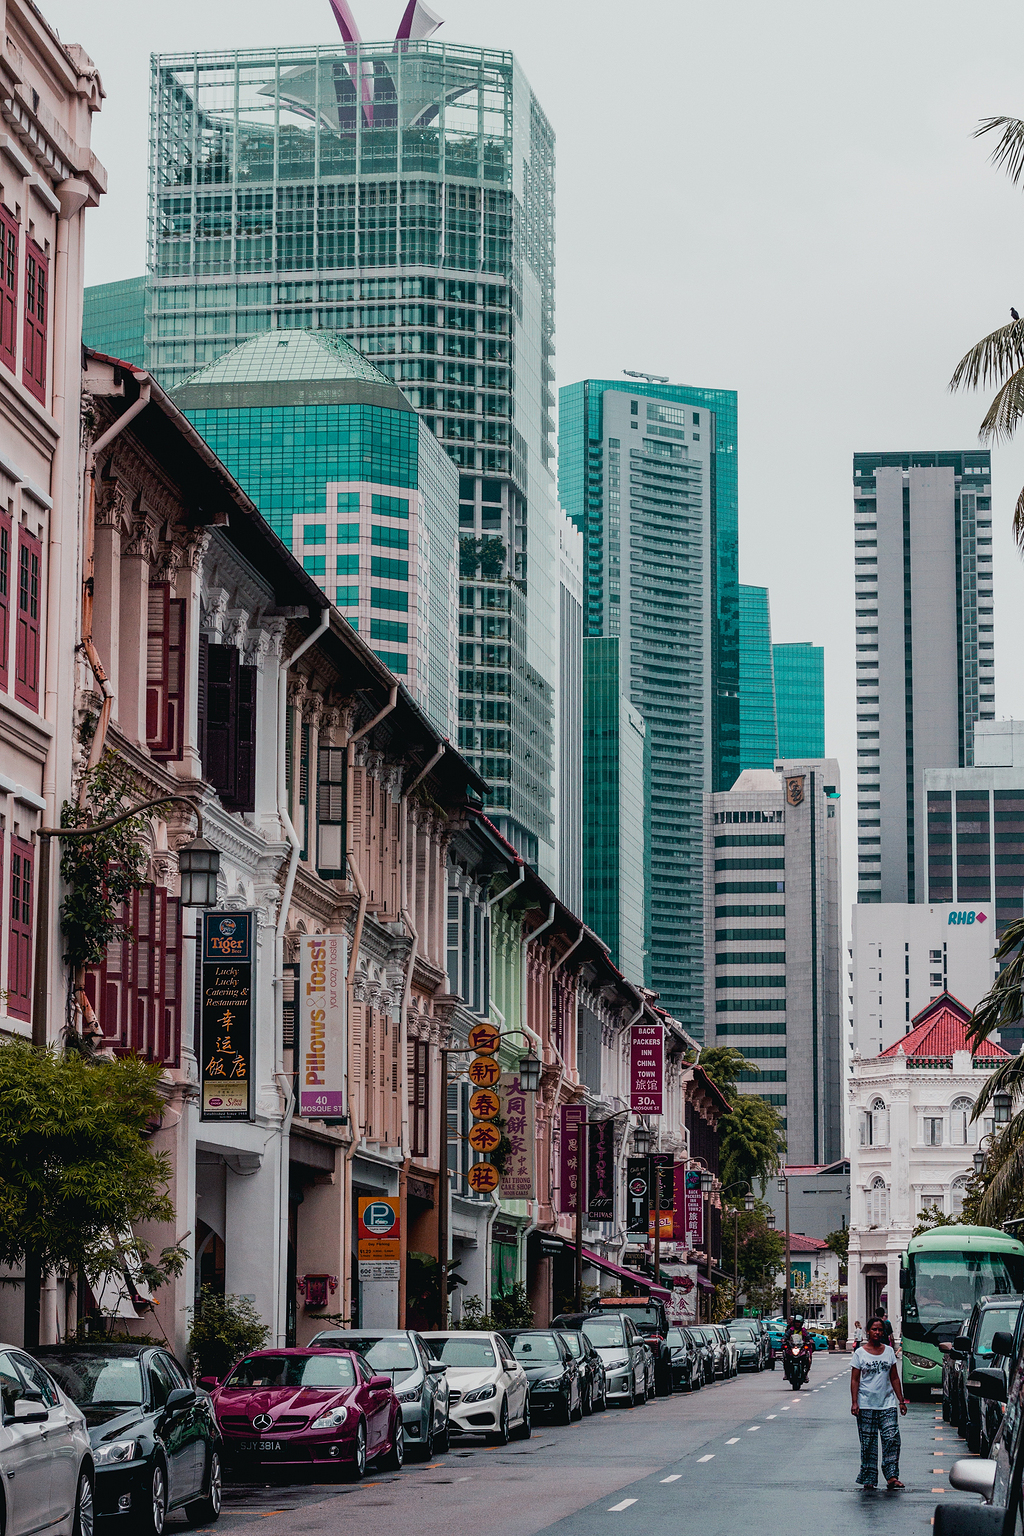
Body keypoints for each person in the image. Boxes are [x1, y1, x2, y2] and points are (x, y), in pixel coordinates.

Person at [851, 1317, 908, 1490]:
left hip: (887, 1403)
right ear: (868, 1331)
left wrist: (901, 1400)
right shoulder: (860, 1353)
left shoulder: (889, 1351)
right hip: (866, 1403)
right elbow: (855, 1380)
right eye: (874, 1329)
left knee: (891, 1438)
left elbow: (894, 1377)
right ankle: (869, 1477)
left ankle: (892, 1476)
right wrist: (855, 1402)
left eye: (880, 1330)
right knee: (868, 1443)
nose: (877, 1332)